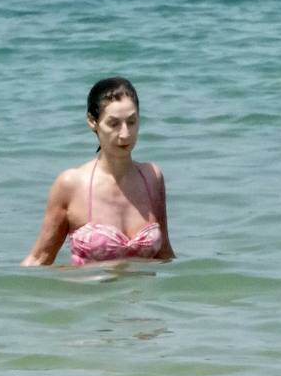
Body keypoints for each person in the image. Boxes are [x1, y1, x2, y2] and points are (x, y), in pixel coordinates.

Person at [21, 77, 174, 267]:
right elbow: (40, 258)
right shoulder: (71, 184)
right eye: (114, 123)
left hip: (144, 297)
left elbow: (165, 254)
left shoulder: (152, 177)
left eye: (132, 122)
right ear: (92, 122)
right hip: (89, 295)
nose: (125, 133)